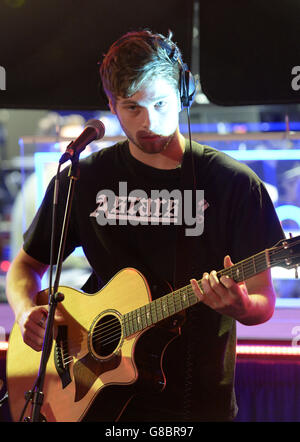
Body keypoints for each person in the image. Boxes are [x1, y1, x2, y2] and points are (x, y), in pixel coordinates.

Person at [6, 29, 285, 422]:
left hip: (197, 403)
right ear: (111, 105)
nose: (149, 121)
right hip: (92, 398)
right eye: (132, 107)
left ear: (183, 95)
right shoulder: (83, 178)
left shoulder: (234, 184)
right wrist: (23, 312)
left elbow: (264, 302)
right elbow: (26, 266)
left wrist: (241, 305)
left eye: (160, 103)